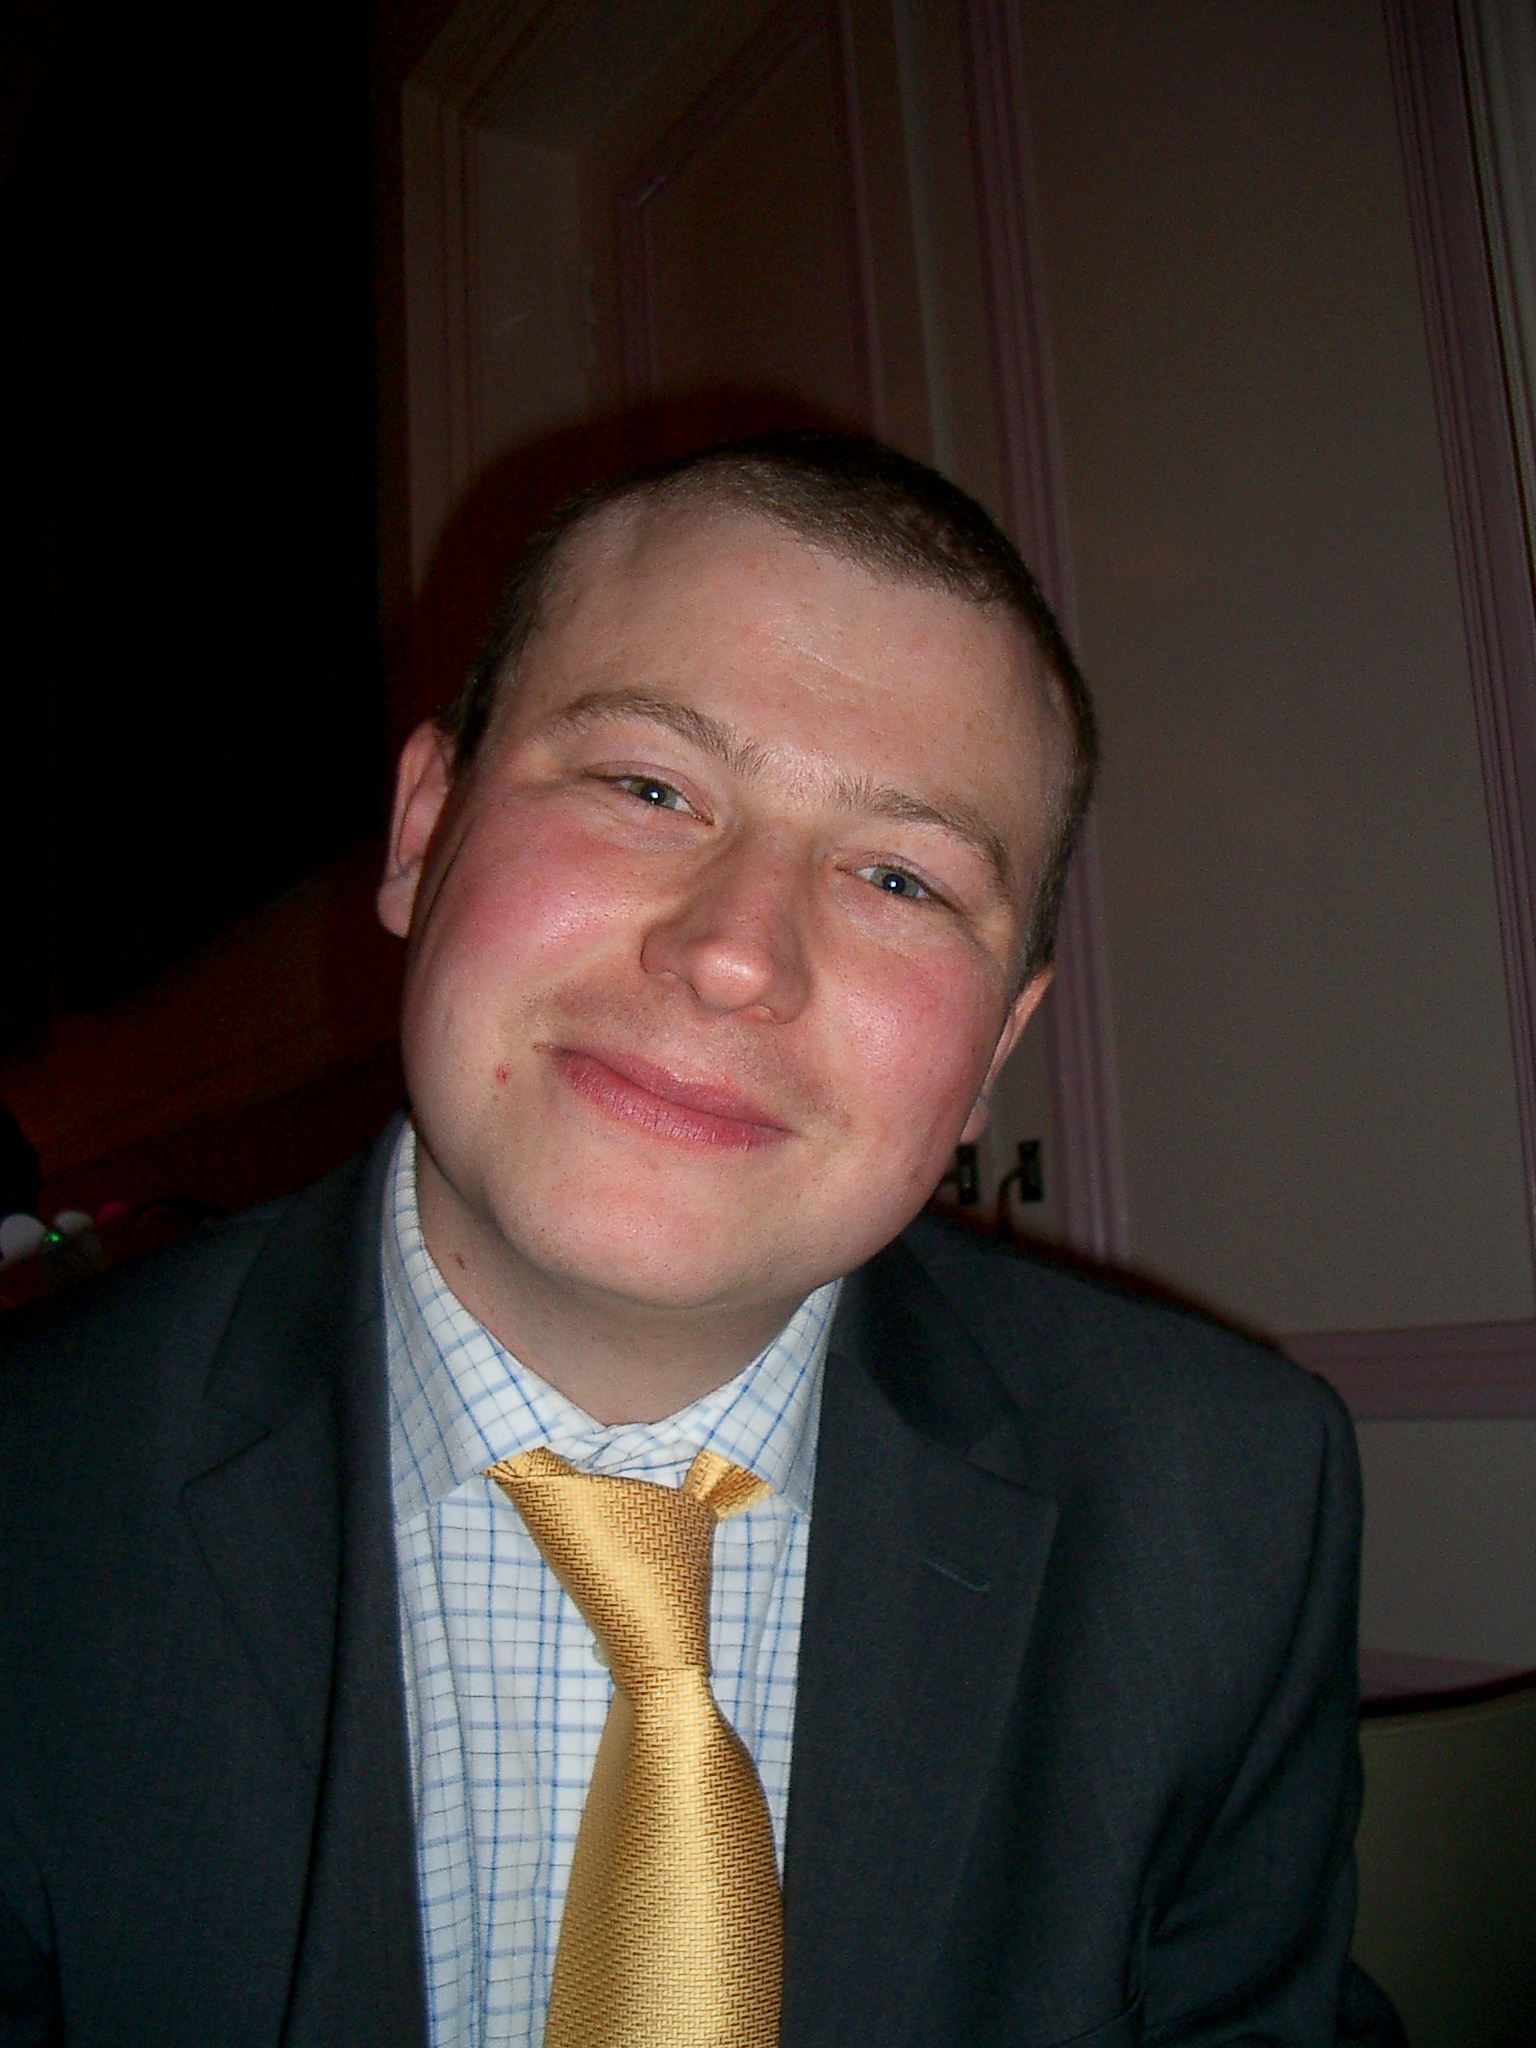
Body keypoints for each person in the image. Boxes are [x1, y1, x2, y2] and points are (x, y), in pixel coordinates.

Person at [0, 434, 1401, 2047]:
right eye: (649, 787)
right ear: (422, 829)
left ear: (997, 1049)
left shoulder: (1223, 1506)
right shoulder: (28, 1500)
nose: (738, 954)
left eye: (900, 877)